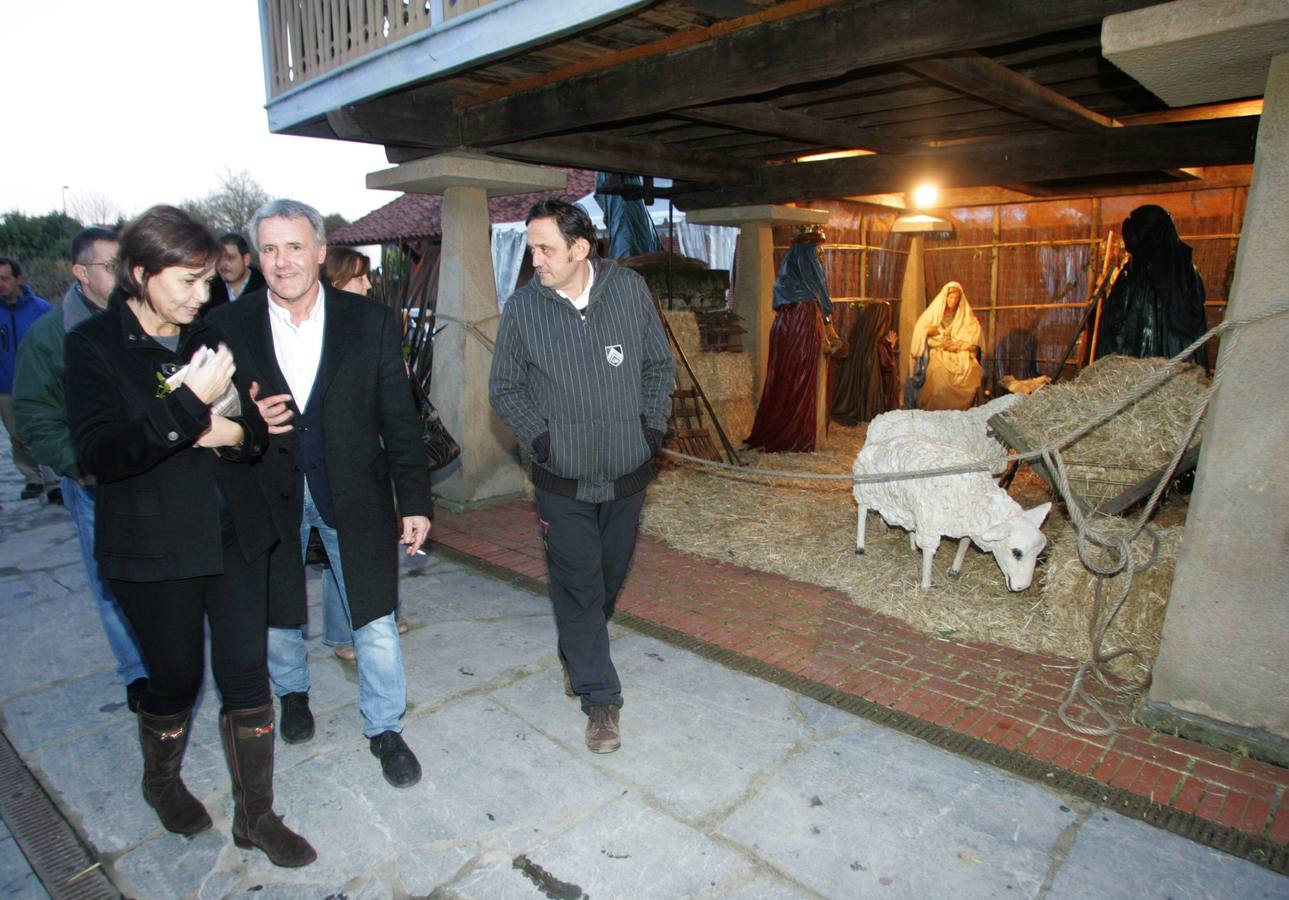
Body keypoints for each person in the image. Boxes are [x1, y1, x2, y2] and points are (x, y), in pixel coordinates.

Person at [63, 206, 314, 867]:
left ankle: (255, 816)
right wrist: (187, 407)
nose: (203, 296)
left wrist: (238, 432)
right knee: (174, 678)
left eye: (208, 281)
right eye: (188, 281)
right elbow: (101, 454)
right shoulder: (93, 345)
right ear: (141, 274)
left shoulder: (209, 333)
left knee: (246, 676)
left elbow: (263, 425)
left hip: (233, 534)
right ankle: (161, 780)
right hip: (152, 549)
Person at [207, 199, 432, 788]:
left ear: (320, 251)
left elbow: (399, 420)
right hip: (268, 490)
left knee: (375, 617)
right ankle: (294, 695)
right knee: (279, 616)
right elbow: (207, 415)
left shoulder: (371, 321)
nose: (283, 261)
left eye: (295, 247)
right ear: (259, 256)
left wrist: (414, 501)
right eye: (271, 249)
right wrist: (242, 413)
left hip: (353, 492)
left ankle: (385, 728)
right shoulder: (229, 326)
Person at [489, 198, 675, 754]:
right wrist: (543, 439)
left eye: (546, 249)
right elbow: (504, 388)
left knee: (606, 581)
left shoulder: (630, 292)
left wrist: (651, 430)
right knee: (578, 586)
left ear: (579, 249)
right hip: (560, 480)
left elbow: (658, 366)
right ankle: (601, 699)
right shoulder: (524, 309)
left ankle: (578, 651)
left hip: (627, 471)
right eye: (531, 248)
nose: (536, 260)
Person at [12, 227, 149, 710]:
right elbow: (34, 413)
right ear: (80, 273)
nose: (126, 274)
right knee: (109, 580)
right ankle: (136, 671)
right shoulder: (53, 336)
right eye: (112, 266)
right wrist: (80, 464)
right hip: (94, 482)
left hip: (150, 473)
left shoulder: (144, 319)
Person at [317, 245, 408, 663]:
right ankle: (343, 633)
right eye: (359, 277)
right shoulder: (324, 329)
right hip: (342, 458)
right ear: (336, 281)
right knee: (345, 544)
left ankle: (378, 615)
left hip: (374, 448)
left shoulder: (369, 323)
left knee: (365, 541)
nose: (368, 284)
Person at [745, 225, 837, 452]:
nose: (820, 254)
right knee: (802, 377)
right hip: (804, 325)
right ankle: (799, 431)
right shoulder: (806, 297)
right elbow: (821, 294)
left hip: (791, 326)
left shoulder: (787, 293)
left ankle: (793, 427)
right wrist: (827, 323)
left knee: (789, 376)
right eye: (817, 249)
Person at [1095, 204, 1209, 367]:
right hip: (1183, 375)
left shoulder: (1133, 278)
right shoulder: (1188, 273)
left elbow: (1113, 334)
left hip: (1138, 378)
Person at [0, 256, 57, 501]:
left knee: (43, 431)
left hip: (38, 384)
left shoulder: (40, 308)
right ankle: (32, 478)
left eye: (4, 278)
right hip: (5, 385)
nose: (0, 283)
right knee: (17, 436)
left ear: (18, 279)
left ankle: (54, 482)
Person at [910, 281, 983, 411]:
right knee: (939, 377)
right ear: (945, 297)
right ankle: (938, 410)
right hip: (939, 352)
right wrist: (938, 341)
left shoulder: (965, 317)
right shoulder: (934, 315)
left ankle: (959, 411)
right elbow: (922, 333)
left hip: (960, 354)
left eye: (956, 298)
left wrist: (959, 345)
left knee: (969, 371)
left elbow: (974, 339)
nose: (953, 301)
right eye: (950, 297)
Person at [203, 233, 266, 312]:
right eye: (219, 258)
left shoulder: (265, 291)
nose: (223, 264)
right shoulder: (207, 292)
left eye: (230, 258)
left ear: (246, 259)